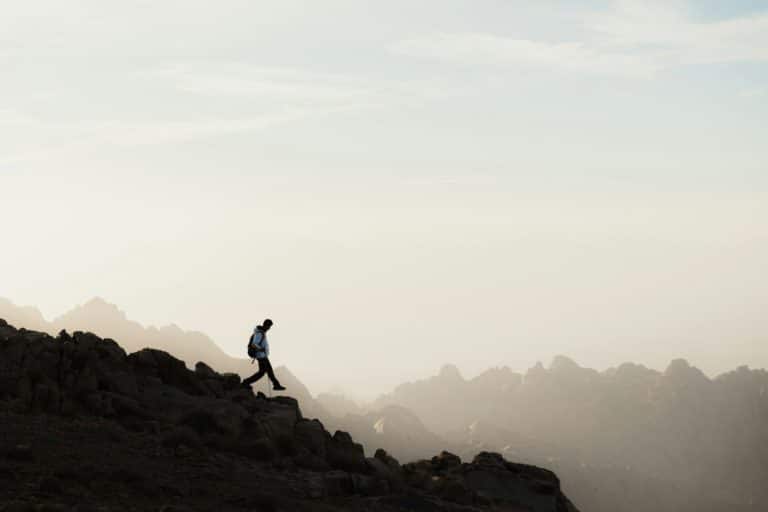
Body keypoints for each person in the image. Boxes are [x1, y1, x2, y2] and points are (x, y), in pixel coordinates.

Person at [242, 318, 286, 391]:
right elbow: (254, 344)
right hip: (261, 356)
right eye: (269, 326)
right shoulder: (259, 333)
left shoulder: (262, 332)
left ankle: (276, 385)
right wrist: (261, 349)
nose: (269, 328)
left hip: (263, 355)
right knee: (262, 372)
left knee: (269, 371)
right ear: (266, 325)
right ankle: (246, 382)